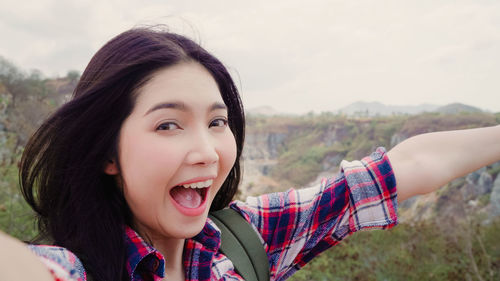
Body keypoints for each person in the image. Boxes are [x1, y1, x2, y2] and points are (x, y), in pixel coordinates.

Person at [1, 26, 499, 281]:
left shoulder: (244, 243)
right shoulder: (75, 268)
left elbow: (402, 169)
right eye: (168, 124)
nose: (206, 151)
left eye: (217, 122)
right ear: (107, 152)